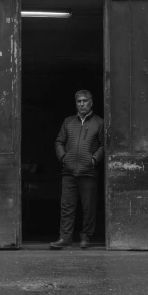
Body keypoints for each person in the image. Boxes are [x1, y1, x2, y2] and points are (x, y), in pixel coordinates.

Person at [50, 90, 104, 250]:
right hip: (69, 171)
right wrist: (63, 158)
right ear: (76, 103)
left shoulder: (99, 123)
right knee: (67, 206)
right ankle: (65, 238)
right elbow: (59, 141)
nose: (82, 104)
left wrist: (94, 159)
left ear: (91, 102)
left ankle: (86, 237)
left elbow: (104, 145)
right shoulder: (68, 122)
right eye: (79, 101)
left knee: (88, 207)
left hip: (88, 171)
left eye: (85, 101)